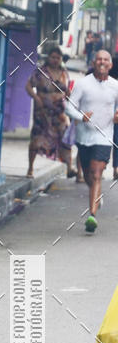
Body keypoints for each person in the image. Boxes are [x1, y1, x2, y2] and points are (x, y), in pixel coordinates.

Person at [65, 48, 118, 232]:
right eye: (98, 59)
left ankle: (92, 216)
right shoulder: (83, 84)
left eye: (105, 60)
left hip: (104, 136)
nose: (102, 62)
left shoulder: (115, 86)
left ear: (110, 65)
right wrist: (80, 117)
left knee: (97, 174)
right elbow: (69, 107)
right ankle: (96, 196)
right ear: (93, 63)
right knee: (88, 175)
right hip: (84, 136)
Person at [25, 46, 76, 178]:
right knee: (37, 139)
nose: (55, 60)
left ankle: (69, 167)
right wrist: (36, 97)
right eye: (53, 57)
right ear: (48, 58)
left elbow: (67, 90)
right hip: (42, 112)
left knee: (65, 138)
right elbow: (28, 86)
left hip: (60, 113)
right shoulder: (41, 72)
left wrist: (69, 96)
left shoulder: (64, 73)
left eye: (58, 58)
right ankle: (30, 168)